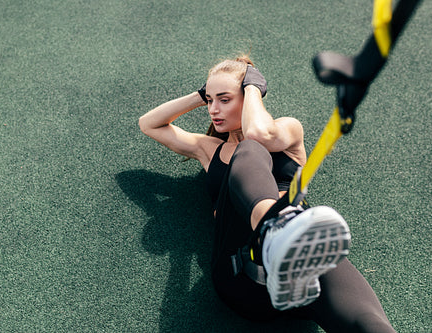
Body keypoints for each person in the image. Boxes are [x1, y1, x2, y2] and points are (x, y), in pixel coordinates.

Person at [138, 54, 395, 332]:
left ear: (250, 96)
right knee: (247, 149)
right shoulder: (209, 149)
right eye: (210, 101)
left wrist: (251, 88)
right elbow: (149, 123)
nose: (213, 109)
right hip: (242, 272)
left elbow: (259, 133)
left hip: (299, 265)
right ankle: (273, 232)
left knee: (370, 323)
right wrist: (201, 94)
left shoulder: (288, 130)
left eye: (224, 99)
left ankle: (284, 236)